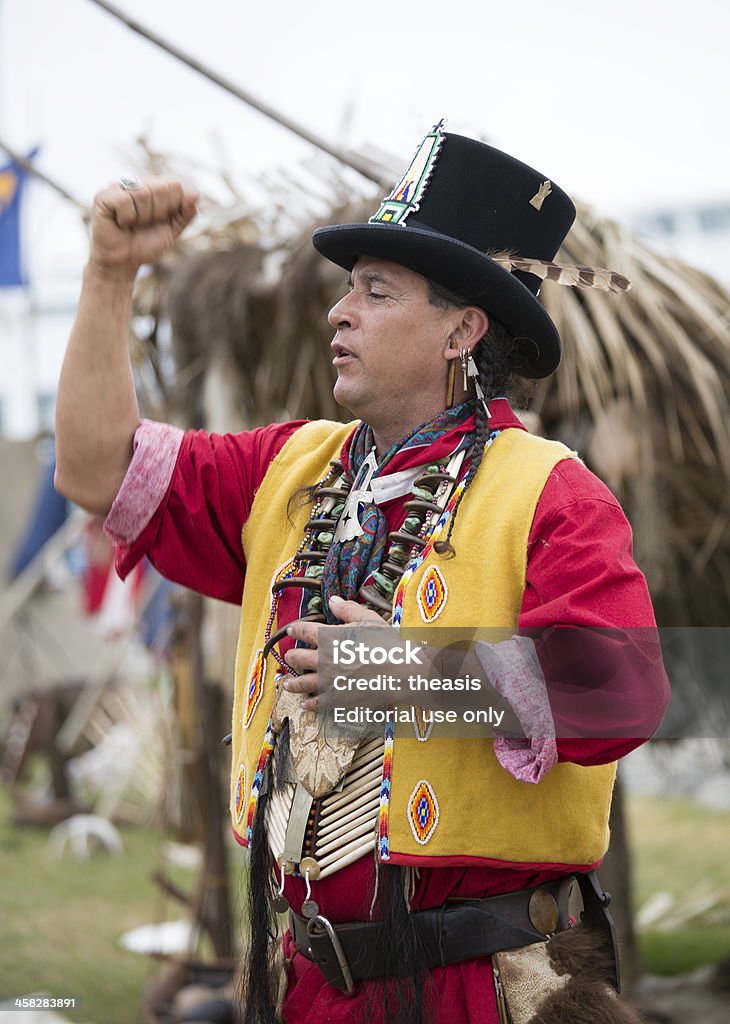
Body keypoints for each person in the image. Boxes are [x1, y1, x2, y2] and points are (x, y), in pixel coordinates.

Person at [55, 123, 669, 1024]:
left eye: (375, 292)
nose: (339, 312)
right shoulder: (289, 471)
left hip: (480, 989)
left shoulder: (552, 494)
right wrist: (110, 275)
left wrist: (411, 673)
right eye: (347, 290)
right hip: (305, 986)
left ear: (464, 327)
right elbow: (94, 469)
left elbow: (626, 693)